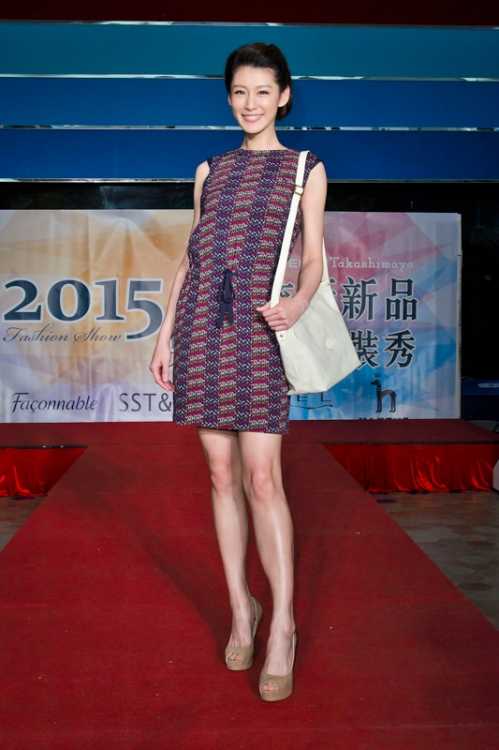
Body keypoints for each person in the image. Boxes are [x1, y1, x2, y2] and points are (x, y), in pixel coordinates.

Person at [150, 42, 327, 702]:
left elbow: (314, 258)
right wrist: (165, 335)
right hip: (203, 328)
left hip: (259, 329)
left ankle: (283, 626)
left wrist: (297, 302)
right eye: (239, 92)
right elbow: (191, 257)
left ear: (283, 96)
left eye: (262, 92)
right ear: (228, 97)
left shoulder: (306, 168)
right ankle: (241, 609)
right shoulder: (209, 169)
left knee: (261, 477)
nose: (250, 103)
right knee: (220, 475)